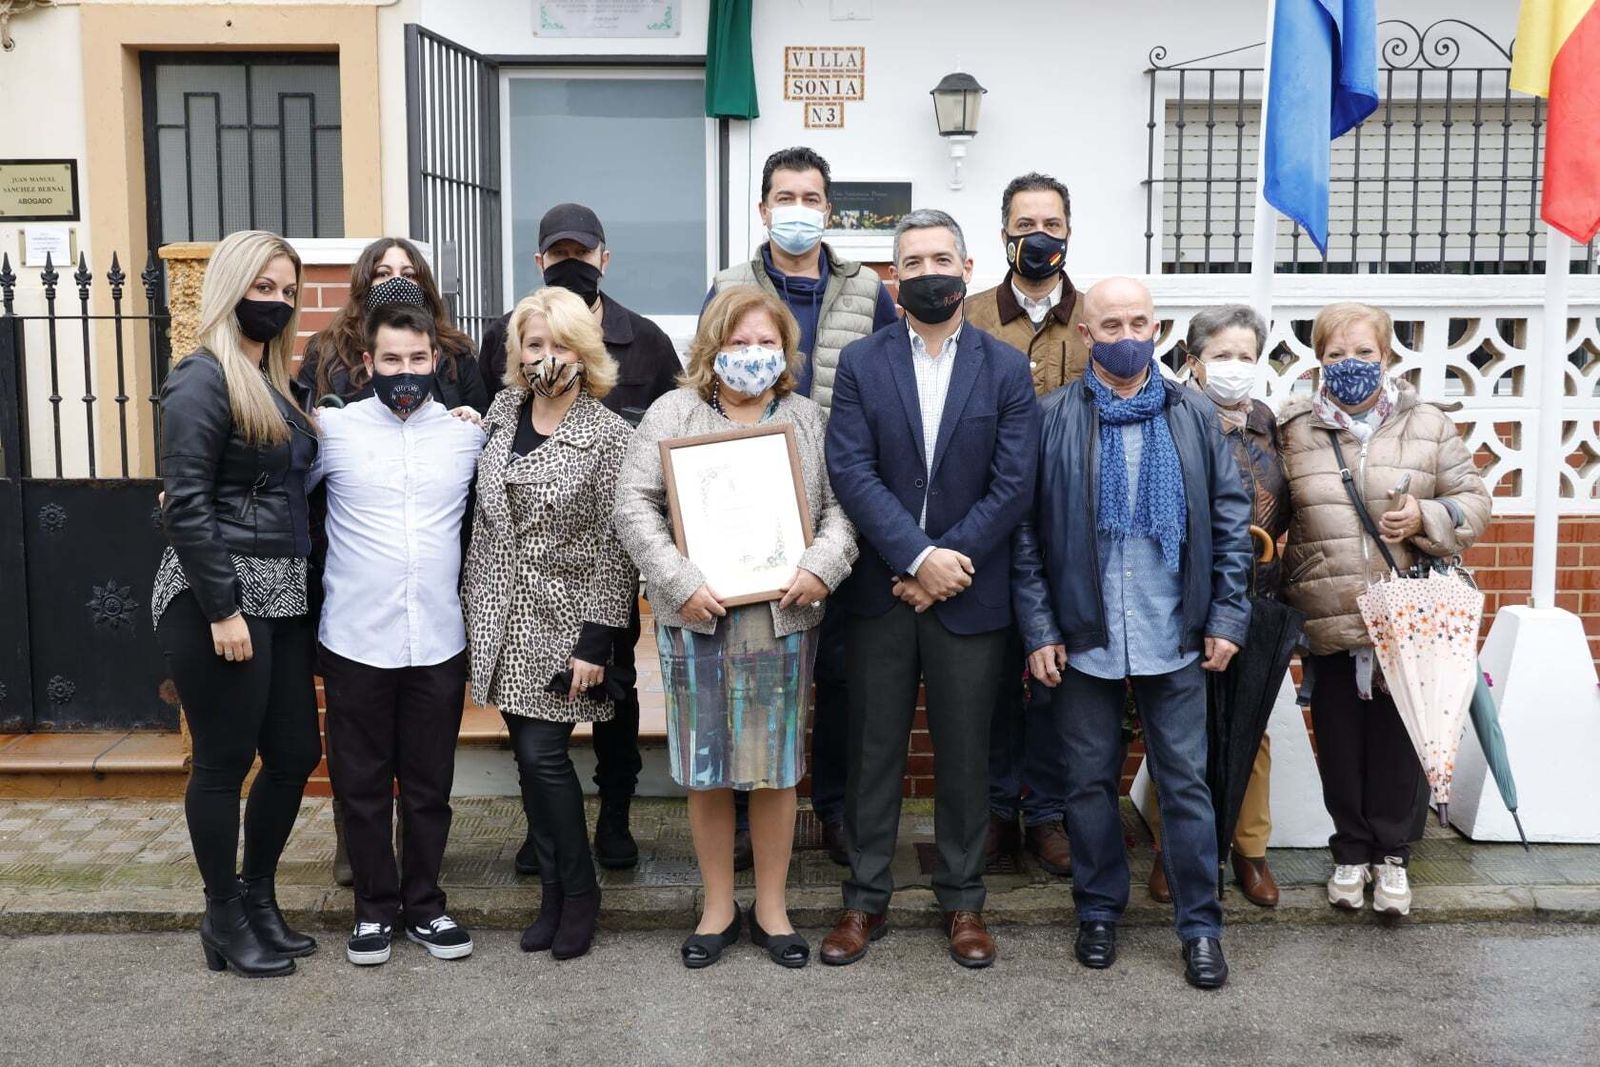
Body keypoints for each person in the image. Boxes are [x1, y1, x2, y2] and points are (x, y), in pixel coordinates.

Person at [1012, 276, 1252, 990]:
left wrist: (1228, 615)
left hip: (1175, 630)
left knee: (1185, 785)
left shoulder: (1194, 413)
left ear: (1158, 326)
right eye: (1109, 323)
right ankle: (1097, 910)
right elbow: (1027, 537)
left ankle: (1201, 926)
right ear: (1085, 334)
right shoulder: (1052, 416)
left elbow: (1230, 522)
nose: (1125, 334)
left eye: (1138, 321)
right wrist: (1040, 626)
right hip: (1084, 634)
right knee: (1087, 784)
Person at [613, 287, 858, 970]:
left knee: (777, 770)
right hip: (697, 620)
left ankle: (772, 908)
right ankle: (718, 906)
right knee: (708, 768)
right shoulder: (674, 411)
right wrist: (679, 582)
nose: (751, 355)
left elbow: (844, 509)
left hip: (783, 620)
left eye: (764, 343)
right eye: (737, 342)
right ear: (711, 347)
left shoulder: (809, 418)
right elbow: (632, 504)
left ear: (785, 349)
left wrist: (820, 565)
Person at [821, 210, 1039, 970]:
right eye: (911, 261)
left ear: (968, 263)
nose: (927, 271)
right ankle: (865, 899)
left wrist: (947, 561)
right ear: (894, 276)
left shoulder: (1007, 367)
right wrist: (916, 557)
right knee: (873, 750)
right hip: (884, 588)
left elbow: (1014, 484)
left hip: (971, 593)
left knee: (965, 754)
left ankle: (963, 901)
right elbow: (850, 469)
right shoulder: (861, 361)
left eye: (940, 257)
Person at [706, 146, 900, 869]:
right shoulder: (729, 284)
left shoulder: (866, 291)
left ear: (827, 209)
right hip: (746, 511)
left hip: (840, 506)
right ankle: (751, 813)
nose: (797, 209)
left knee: (843, 674)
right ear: (762, 209)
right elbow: (703, 378)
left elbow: (890, 385)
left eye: (810, 197)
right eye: (783, 196)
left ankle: (838, 809)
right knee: (754, 671)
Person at [481, 202, 682, 874]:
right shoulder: (505, 339)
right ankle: (546, 831)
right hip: (526, 583)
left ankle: (616, 818)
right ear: (539, 261)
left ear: (604, 257)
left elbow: (675, 439)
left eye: (583, 252)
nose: (572, 263)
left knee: (612, 701)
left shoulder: (647, 341)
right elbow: (498, 437)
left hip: (603, 567)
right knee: (533, 718)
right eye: (557, 253)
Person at [1279, 301, 1490, 917]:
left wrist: (1428, 516)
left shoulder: (1426, 422)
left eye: (1363, 352)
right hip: (1333, 607)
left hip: (1409, 616)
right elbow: (1271, 508)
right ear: (1319, 359)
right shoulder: (1295, 427)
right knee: (1340, 739)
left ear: (1387, 356)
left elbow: (1471, 500)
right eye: (1336, 353)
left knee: (1400, 739)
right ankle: (1349, 853)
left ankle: (1392, 857)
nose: (1350, 364)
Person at [152, 229, 321, 977]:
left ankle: (257, 897)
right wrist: (222, 608)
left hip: (281, 592)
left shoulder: (275, 381)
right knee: (223, 763)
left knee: (294, 754)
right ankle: (222, 914)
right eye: (264, 288)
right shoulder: (202, 378)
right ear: (231, 289)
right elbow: (186, 502)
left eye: (287, 291)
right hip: (216, 593)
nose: (277, 303)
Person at [292, 237, 484, 889]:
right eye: (392, 358)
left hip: (436, 640)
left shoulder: (466, 436)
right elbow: (276, 482)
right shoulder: (332, 431)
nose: (406, 369)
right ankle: (374, 904)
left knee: (430, 789)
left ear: (437, 360)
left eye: (418, 358)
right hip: (355, 640)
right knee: (363, 786)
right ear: (368, 363)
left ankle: (425, 900)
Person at [463, 286, 637, 961]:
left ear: (585, 351)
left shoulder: (609, 434)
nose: (547, 357)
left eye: (560, 344)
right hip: (499, 616)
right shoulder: (502, 410)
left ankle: (579, 891)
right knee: (530, 764)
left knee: (544, 757)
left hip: (566, 624)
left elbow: (620, 544)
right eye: (534, 344)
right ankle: (553, 895)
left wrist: (597, 639)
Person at [963, 171, 1090, 874]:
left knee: (1054, 680)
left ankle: (1047, 812)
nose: (1037, 236)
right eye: (1023, 224)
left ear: (1069, 230)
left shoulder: (1097, 317)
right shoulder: (971, 314)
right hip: (984, 526)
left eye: (1050, 223)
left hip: (1066, 529)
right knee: (988, 678)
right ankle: (992, 809)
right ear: (1003, 231)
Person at [1146, 304, 1290, 908]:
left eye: (1247, 356)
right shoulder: (1173, 413)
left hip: (1259, 595)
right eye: (1223, 355)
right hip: (1191, 595)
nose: (1235, 368)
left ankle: (1248, 851)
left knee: (1251, 729)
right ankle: (1169, 851)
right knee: (1181, 732)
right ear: (1194, 359)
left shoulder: (1266, 421)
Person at [295, 236, 487, 414]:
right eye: (383, 274)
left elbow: (480, 419)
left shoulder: (455, 352)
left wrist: (468, 417)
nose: (396, 282)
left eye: (408, 275)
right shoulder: (326, 350)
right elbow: (305, 420)